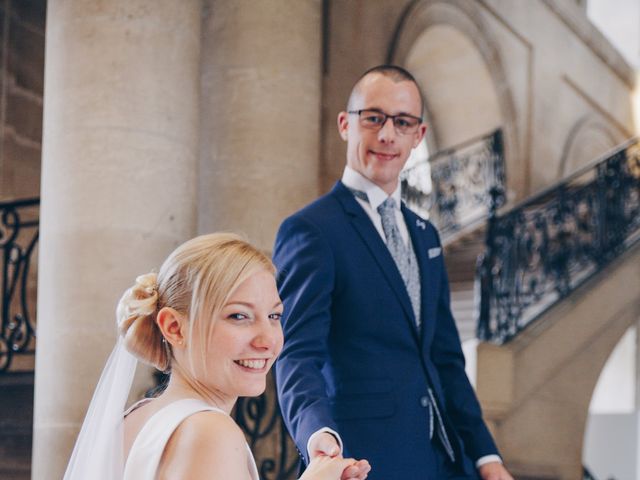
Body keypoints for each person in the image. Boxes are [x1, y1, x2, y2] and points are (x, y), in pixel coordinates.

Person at [273, 66, 513, 479]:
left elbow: (446, 360)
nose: (388, 135)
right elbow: (296, 352)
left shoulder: (427, 235)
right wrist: (317, 438)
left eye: (402, 123)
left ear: (418, 136)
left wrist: (487, 458)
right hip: (363, 461)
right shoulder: (312, 230)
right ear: (346, 125)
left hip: (443, 460)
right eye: (374, 118)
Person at [64, 233, 370, 480]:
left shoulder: (135, 418)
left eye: (274, 316)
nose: (267, 341)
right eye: (239, 316)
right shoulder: (210, 432)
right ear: (174, 328)